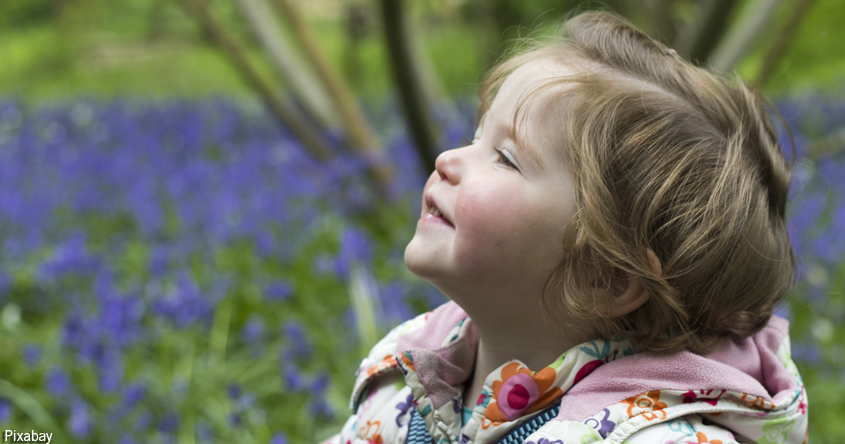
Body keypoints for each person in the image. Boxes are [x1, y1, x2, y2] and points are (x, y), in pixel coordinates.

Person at [325, 11, 807, 444]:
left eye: (505, 159)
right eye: (475, 136)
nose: (447, 160)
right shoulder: (412, 369)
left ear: (607, 277)